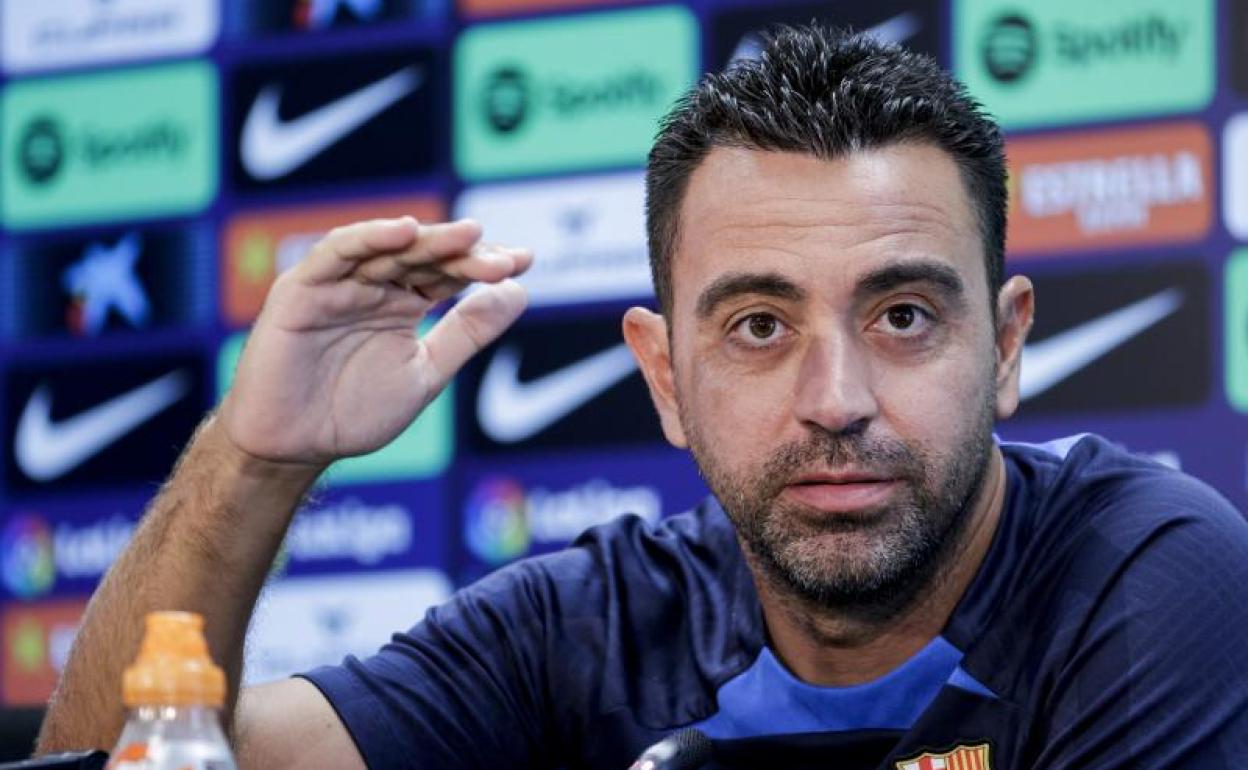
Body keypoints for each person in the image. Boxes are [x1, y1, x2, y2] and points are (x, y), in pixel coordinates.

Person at [37, 25, 1248, 770]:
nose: (836, 398)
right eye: (760, 325)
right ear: (665, 375)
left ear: (1008, 346)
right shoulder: (590, 626)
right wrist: (252, 461)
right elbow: (119, 761)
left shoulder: (1150, 578)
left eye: (902, 317)